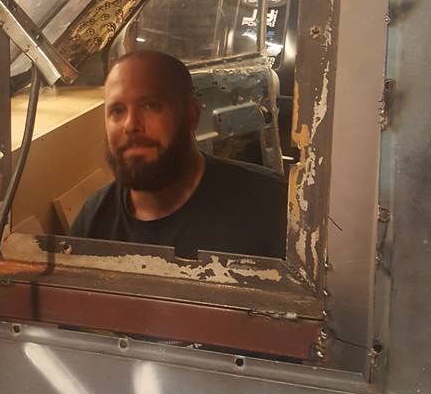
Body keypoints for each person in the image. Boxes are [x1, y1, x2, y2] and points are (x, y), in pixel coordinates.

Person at [71, 51, 286, 259]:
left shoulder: (270, 207)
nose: (130, 125)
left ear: (191, 114)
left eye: (150, 106)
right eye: (117, 111)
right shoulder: (93, 220)